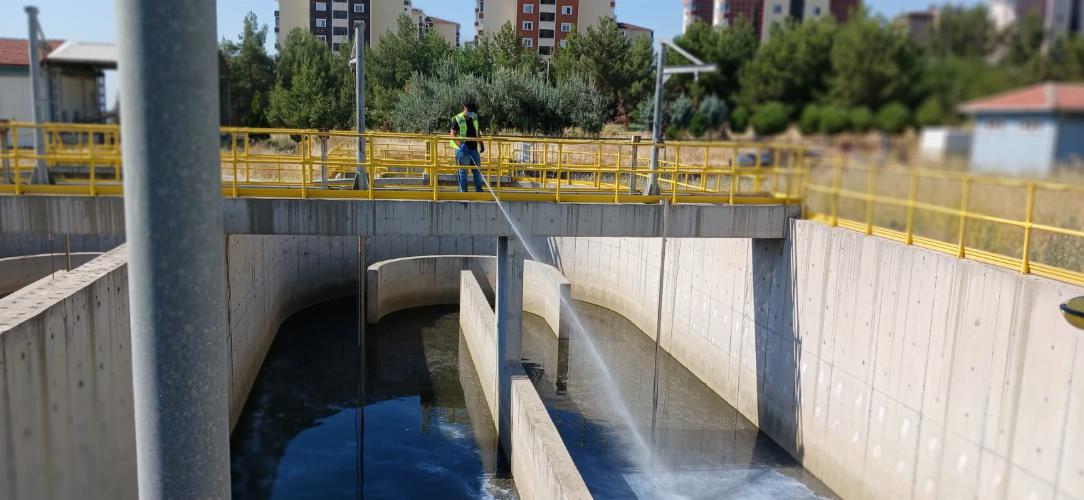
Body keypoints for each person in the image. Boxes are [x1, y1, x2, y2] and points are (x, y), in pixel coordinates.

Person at [450, 102, 486, 193]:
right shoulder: (457, 118)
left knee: (477, 171)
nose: (470, 113)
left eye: (472, 111)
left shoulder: (474, 117)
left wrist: (481, 144)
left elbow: (477, 132)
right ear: (464, 108)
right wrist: (460, 145)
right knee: (463, 172)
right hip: (462, 150)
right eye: (469, 110)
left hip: (473, 149)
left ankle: (479, 191)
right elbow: (452, 135)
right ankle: (463, 192)